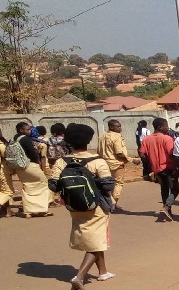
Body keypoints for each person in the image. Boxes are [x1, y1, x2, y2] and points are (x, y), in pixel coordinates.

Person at [50, 124, 115, 289]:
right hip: (97, 207)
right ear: (89, 140)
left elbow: (53, 185)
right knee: (97, 240)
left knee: (95, 238)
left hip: (74, 208)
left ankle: (103, 272)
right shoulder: (97, 161)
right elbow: (108, 186)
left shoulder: (61, 162)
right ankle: (79, 277)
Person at [139, 118, 178, 221]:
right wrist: (177, 166)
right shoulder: (167, 138)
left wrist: (149, 164)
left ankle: (168, 211)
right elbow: (172, 154)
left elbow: (142, 154)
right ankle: (166, 207)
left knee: (164, 189)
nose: (168, 128)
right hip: (168, 168)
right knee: (175, 189)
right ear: (160, 127)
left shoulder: (146, 139)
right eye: (166, 126)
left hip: (156, 169)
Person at [13, 122, 53, 219]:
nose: (29, 131)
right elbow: (32, 153)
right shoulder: (25, 139)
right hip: (30, 165)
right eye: (27, 129)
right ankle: (42, 210)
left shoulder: (13, 139)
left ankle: (28, 212)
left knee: (27, 187)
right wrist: (38, 162)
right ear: (21, 130)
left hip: (19, 167)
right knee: (44, 184)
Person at [98, 120, 140, 211]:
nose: (120, 128)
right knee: (118, 183)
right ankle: (113, 203)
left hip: (104, 164)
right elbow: (119, 153)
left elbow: (98, 151)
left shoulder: (102, 136)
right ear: (111, 127)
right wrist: (132, 160)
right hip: (116, 163)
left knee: (108, 183)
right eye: (118, 127)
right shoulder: (116, 137)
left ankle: (112, 202)